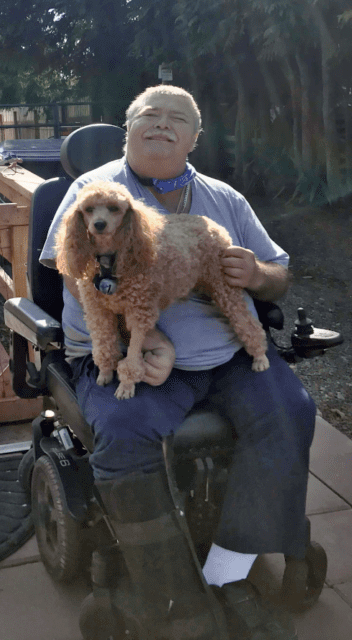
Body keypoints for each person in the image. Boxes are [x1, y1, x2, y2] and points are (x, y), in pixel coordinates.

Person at [41, 85, 314, 640]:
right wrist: (147, 342)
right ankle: (172, 596)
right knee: (122, 432)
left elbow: (281, 272)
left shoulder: (226, 199)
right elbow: (83, 288)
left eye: (178, 119)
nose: (163, 124)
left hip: (229, 358)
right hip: (137, 362)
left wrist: (259, 276)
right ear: (128, 129)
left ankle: (225, 574)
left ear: (194, 138)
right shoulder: (90, 193)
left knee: (291, 411)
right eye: (150, 115)